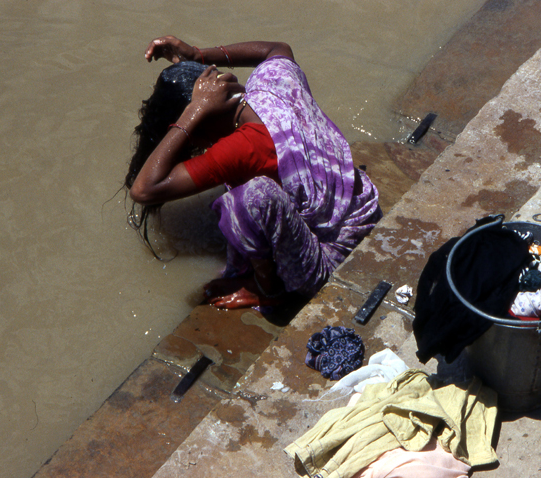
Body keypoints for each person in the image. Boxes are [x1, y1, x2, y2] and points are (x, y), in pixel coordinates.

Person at [125, 36, 382, 309]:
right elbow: (277, 49)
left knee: (247, 199)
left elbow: (144, 190)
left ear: (199, 126)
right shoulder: (269, 83)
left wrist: (194, 111)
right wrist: (198, 54)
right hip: (362, 207)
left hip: (329, 258)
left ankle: (268, 290)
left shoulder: (242, 147)